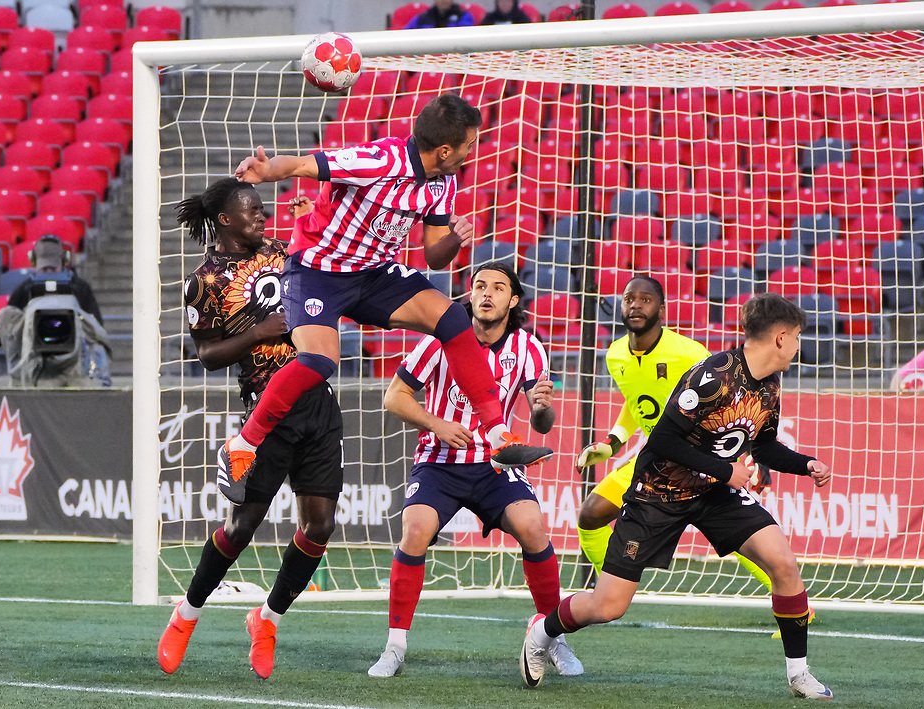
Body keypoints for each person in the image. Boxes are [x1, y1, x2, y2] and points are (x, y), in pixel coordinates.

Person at [225, 93, 551, 504]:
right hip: (318, 271)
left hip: (374, 275)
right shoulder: (380, 160)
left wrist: (453, 238)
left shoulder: (444, 181)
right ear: (445, 149)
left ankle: (499, 437)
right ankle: (242, 446)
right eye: (469, 144)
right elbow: (303, 164)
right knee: (320, 361)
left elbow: (434, 254)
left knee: (452, 317)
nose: (472, 152)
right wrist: (267, 169)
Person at [522, 293, 835, 701]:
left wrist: (805, 463)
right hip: (658, 493)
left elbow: (764, 444)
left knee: (783, 563)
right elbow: (664, 439)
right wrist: (728, 470)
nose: (798, 346)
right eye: (796, 337)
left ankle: (799, 675)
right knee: (608, 606)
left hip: (712, 492)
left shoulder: (770, 386)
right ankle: (543, 631)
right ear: (779, 338)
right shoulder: (714, 375)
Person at [157, 179, 343, 680]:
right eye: (252, 210)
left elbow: (329, 270)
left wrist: (314, 222)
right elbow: (206, 355)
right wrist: (258, 332)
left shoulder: (286, 252)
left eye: (262, 209)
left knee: (320, 526)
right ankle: (185, 616)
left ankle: (267, 619)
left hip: (318, 402)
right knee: (241, 528)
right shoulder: (204, 281)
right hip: (267, 409)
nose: (262, 216)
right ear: (224, 219)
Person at [368, 262, 582, 679]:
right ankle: (394, 646)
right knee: (415, 529)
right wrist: (437, 424)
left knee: (533, 526)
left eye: (498, 287)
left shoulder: (528, 347)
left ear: (513, 300)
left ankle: (552, 637)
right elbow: (395, 398)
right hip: (439, 463)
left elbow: (541, 424)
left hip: (494, 465)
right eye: (479, 286)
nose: (486, 293)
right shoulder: (439, 341)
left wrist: (542, 408)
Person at [577, 276, 774, 594]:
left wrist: (751, 452)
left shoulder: (688, 353)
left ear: (662, 310)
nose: (636, 305)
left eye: (646, 299)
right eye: (629, 299)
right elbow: (636, 401)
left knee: (737, 534)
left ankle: (792, 599)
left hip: (700, 459)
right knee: (590, 515)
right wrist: (612, 443)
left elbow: (733, 396)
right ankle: (608, 593)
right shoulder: (615, 355)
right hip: (655, 460)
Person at [0, 234, 110, 386]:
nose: (49, 272)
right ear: (34, 262)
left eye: (52, 267)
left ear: (64, 261)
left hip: (74, 365)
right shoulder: (25, 289)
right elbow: (11, 329)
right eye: (44, 267)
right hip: (36, 365)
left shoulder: (80, 289)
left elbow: (96, 328)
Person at [405, 0, 475, 28]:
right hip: (427, 56)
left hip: (455, 55)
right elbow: (407, 35)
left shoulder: (463, 16)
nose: (443, 1)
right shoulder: (422, 18)